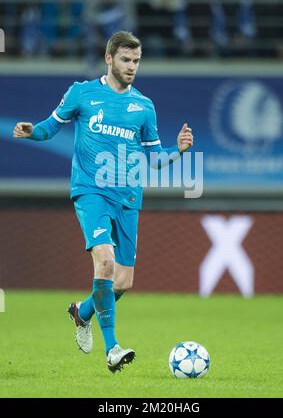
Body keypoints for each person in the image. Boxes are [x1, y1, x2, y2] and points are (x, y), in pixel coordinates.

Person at [13, 31, 194, 373]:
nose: (132, 67)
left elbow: (154, 158)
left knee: (123, 282)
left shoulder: (144, 106)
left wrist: (178, 152)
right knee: (105, 264)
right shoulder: (82, 93)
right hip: (90, 190)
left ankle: (82, 314)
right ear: (109, 59)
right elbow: (50, 128)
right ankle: (112, 349)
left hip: (127, 195)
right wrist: (31, 130)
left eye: (137, 61)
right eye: (126, 60)